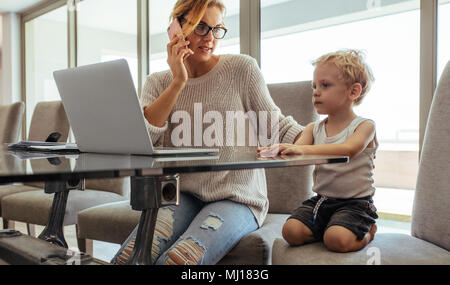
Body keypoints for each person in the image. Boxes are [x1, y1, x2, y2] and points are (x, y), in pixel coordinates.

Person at [112, 0, 304, 265]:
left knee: (177, 262)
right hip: (179, 194)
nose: (210, 38)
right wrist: (178, 81)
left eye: (217, 29)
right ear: (176, 28)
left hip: (237, 197)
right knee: (128, 258)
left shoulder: (242, 69)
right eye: (201, 27)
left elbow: (278, 128)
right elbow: (144, 142)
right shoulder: (157, 82)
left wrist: (338, 140)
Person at [258, 49, 378, 253]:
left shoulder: (364, 126)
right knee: (291, 232)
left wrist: (301, 149)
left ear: (353, 91)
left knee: (336, 240)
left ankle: (367, 232)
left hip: (356, 203)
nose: (315, 91)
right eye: (314, 86)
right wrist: (276, 150)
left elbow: (348, 150)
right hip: (322, 200)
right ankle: (330, 225)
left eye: (325, 85)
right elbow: (299, 153)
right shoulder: (313, 128)